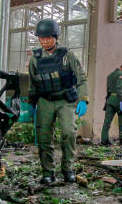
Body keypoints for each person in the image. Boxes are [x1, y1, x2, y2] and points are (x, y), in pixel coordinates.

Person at [28, 19, 88, 184]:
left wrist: (83, 99)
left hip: (65, 101)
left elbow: (82, 80)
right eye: (41, 38)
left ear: (55, 37)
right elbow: (33, 83)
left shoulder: (67, 56)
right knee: (44, 138)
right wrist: (31, 103)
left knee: (69, 133)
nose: (45, 41)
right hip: (45, 101)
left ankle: (67, 169)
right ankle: (48, 172)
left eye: (48, 37)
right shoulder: (35, 58)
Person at [101, 63, 122, 145]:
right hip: (118, 99)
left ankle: (104, 140)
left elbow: (108, 89)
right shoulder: (120, 75)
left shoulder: (110, 75)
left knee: (107, 121)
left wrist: (107, 100)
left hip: (110, 99)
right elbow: (119, 88)